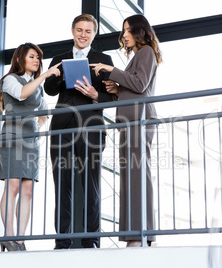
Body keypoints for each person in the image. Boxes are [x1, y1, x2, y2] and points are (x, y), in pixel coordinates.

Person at [44, 14, 116, 249]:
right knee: (62, 183)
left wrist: (96, 95)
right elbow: (50, 89)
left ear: (94, 34)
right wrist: (60, 74)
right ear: (72, 31)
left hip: (91, 127)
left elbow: (113, 96)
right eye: (79, 30)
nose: (83, 35)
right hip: (62, 126)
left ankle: (91, 240)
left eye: (88, 31)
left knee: (91, 183)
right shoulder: (59, 59)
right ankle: (62, 240)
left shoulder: (103, 59)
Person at [90, 14, 162, 247]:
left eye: (129, 30)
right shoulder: (140, 55)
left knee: (138, 177)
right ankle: (136, 235)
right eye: (124, 31)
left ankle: (140, 236)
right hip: (130, 121)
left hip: (139, 121)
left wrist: (112, 70)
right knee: (131, 179)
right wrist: (117, 88)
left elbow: (140, 84)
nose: (124, 35)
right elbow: (134, 88)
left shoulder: (146, 52)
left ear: (140, 31)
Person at [0, 42, 61, 251]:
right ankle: (8, 236)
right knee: (13, 186)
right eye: (32, 57)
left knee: (27, 191)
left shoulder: (37, 86)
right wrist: (43, 76)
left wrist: (34, 129)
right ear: (20, 59)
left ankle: (20, 240)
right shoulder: (9, 80)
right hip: (13, 138)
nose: (37, 61)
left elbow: (44, 113)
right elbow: (22, 93)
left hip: (30, 141)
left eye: (38, 58)